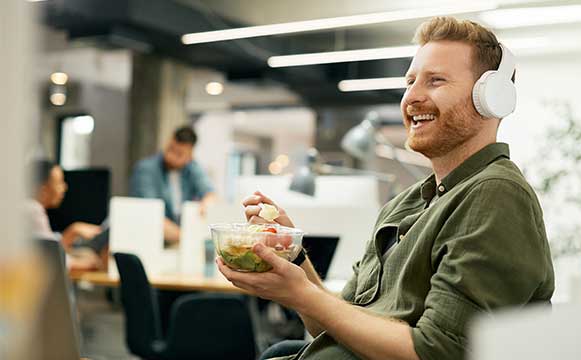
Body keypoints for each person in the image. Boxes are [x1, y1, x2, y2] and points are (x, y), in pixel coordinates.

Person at [217, 17, 555, 360]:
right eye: (410, 82)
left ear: (491, 98)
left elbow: (438, 352)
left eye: (435, 81)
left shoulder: (495, 195)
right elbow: (335, 322)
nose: (412, 97)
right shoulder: (407, 203)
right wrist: (295, 258)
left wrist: (303, 294)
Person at [129, 126, 215, 245]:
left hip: (179, 240)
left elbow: (210, 193)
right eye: (170, 149)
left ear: (190, 156)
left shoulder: (192, 168)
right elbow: (151, 214)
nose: (171, 156)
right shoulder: (146, 169)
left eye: (179, 154)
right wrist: (188, 238)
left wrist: (206, 204)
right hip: (150, 239)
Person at [27, 160, 103, 270]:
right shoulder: (33, 209)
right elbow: (52, 259)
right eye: (60, 183)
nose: (65, 187)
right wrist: (86, 263)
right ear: (43, 190)